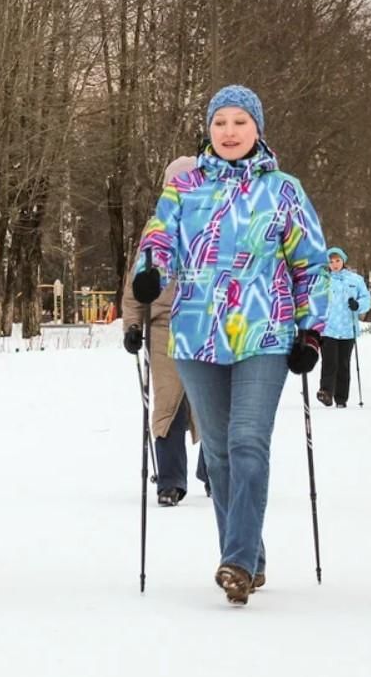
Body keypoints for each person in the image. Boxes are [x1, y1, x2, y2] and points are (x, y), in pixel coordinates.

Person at [129, 84, 326, 605]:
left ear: (257, 129)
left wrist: (311, 330)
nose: (230, 132)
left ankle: (235, 560)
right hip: (195, 332)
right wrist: (149, 275)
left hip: (265, 331)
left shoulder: (283, 189)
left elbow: (310, 261)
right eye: (221, 123)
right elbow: (159, 240)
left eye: (240, 122)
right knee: (217, 453)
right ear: (208, 130)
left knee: (246, 442)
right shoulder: (184, 187)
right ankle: (249, 556)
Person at [122, 155, 208, 507]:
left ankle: (216, 473)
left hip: (209, 323)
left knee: (212, 403)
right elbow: (137, 280)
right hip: (165, 326)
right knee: (168, 401)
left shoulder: (216, 225)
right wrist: (132, 324)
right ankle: (171, 480)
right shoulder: (155, 229)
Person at [316, 247, 371, 408]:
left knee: (343, 364)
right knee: (329, 362)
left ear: (343, 261)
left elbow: (366, 300)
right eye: (331, 261)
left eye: (337, 261)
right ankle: (326, 392)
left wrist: (358, 305)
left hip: (347, 329)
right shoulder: (322, 279)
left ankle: (341, 398)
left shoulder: (355, 280)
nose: (334, 264)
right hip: (328, 329)